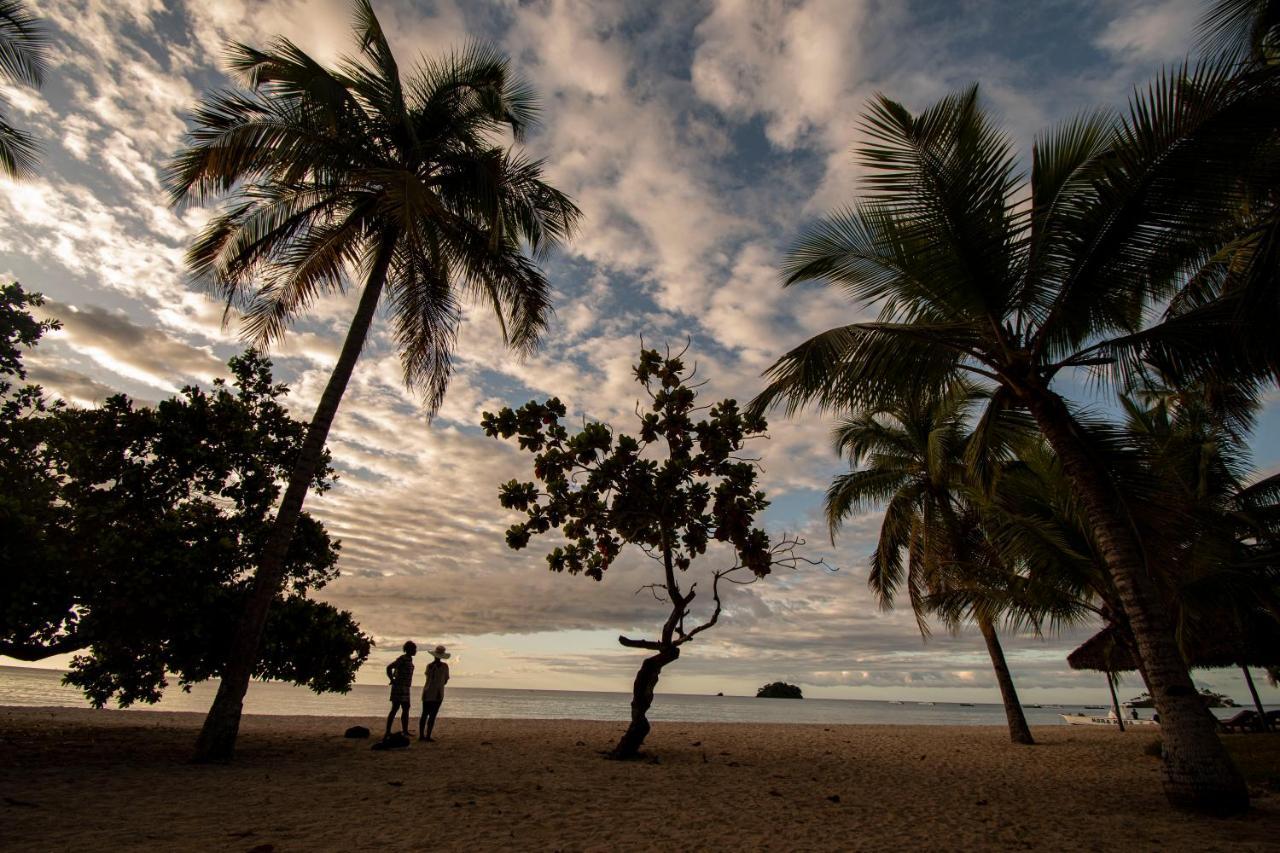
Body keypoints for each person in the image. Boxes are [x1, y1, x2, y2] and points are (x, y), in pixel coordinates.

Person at [418, 644, 451, 742]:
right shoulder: (444, 666)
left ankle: (422, 736)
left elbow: (428, 677)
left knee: (425, 714)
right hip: (438, 693)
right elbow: (445, 680)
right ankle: (427, 736)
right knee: (432, 715)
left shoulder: (429, 666)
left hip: (428, 692)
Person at [384, 640, 416, 740]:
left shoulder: (409, 659)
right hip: (399, 687)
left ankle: (405, 730)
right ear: (409, 649)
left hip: (406, 687)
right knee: (395, 709)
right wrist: (392, 680)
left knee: (406, 708)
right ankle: (388, 732)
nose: (416, 651)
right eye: (414, 649)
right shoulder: (402, 659)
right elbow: (389, 667)